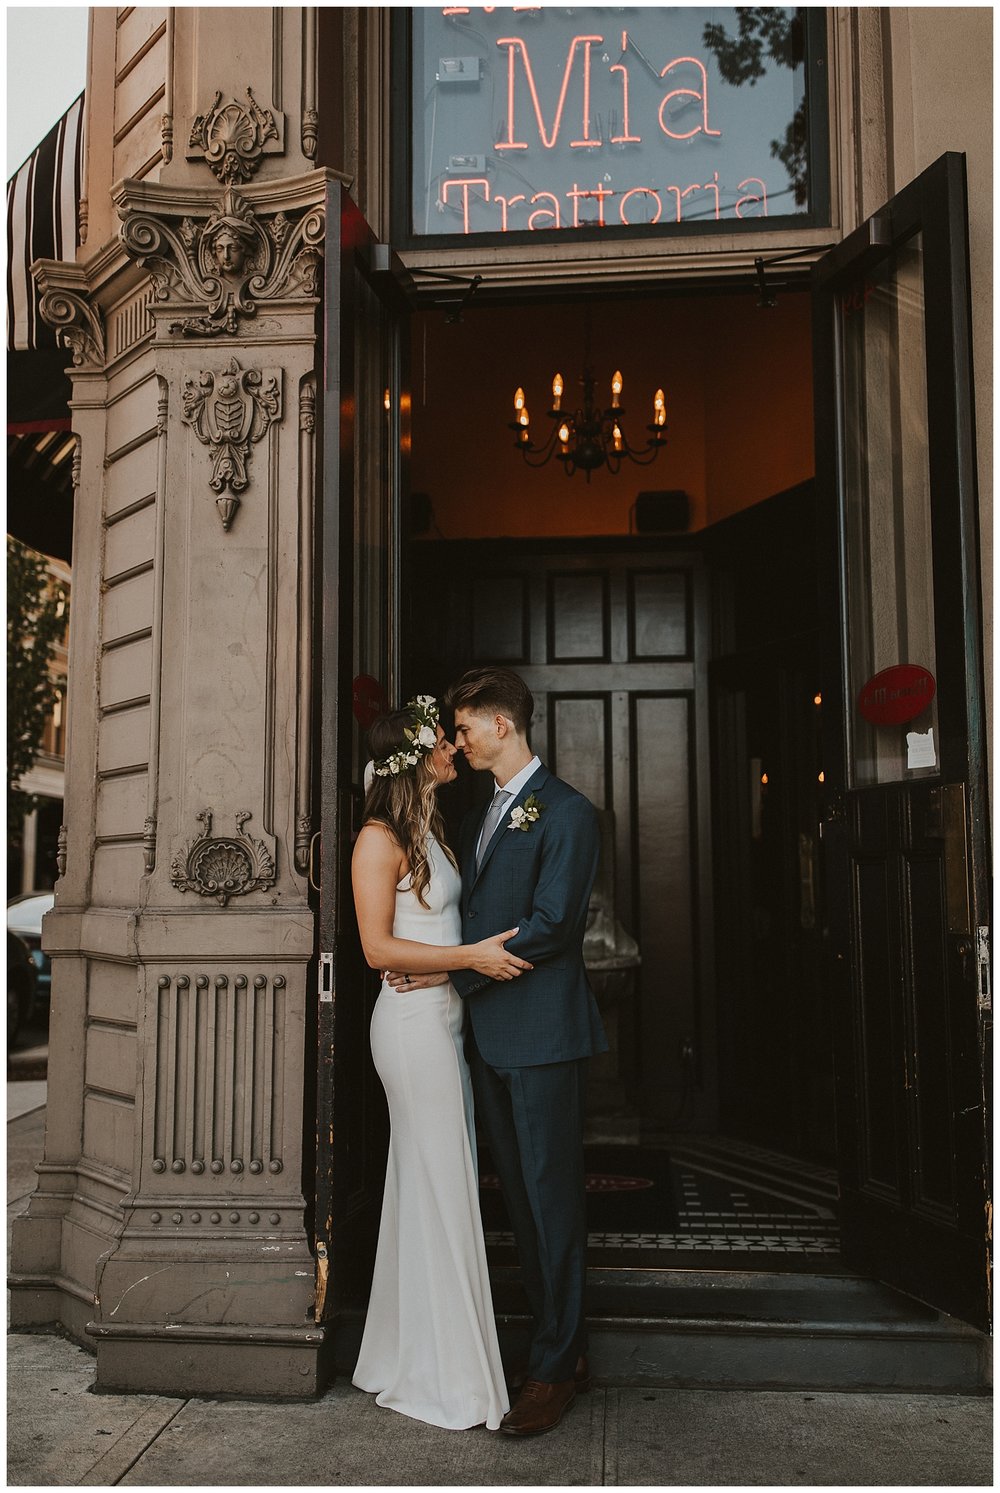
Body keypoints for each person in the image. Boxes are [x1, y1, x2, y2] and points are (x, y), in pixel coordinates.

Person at [389, 667, 606, 1437]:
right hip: (487, 1036)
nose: (460, 739)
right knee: (519, 1201)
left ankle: (554, 1369)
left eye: (467, 726)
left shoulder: (570, 813)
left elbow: (551, 924)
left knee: (552, 1202)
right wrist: (427, 965)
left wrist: (461, 970)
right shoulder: (481, 808)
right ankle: (560, 1347)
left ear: (503, 724)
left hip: (542, 1034)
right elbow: (467, 909)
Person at [351, 695, 530, 1432]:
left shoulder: (431, 826)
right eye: (441, 741)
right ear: (410, 755)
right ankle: (449, 1375)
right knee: (442, 1186)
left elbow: (432, 930)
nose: (454, 749)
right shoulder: (376, 838)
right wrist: (470, 960)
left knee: (425, 1186)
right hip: (411, 1030)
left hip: (445, 1020)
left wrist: (452, 970)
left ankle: (402, 1351)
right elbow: (377, 949)